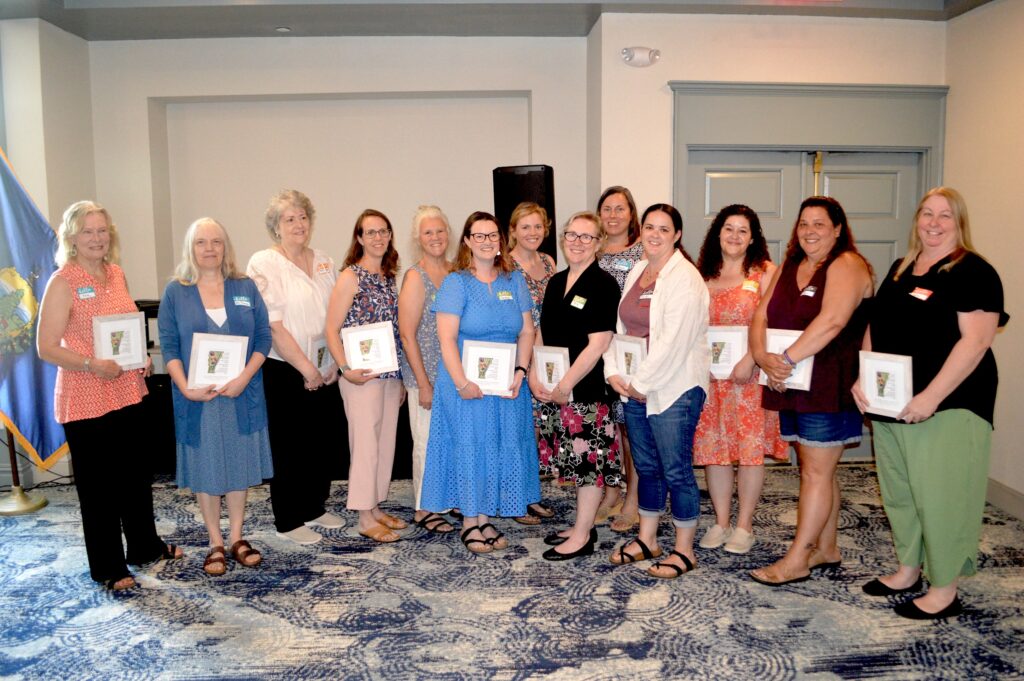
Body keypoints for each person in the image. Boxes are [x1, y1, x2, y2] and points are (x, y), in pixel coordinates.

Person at [852, 187, 1008, 619]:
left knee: (942, 496)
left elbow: (975, 343)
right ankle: (908, 569)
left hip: (950, 404)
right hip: (894, 403)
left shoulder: (974, 272)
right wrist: (864, 378)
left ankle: (945, 588)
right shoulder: (903, 267)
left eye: (945, 215)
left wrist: (930, 398)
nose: (934, 223)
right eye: (927, 213)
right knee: (902, 492)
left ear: (959, 223)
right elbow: (876, 324)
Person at [36, 200, 182, 591]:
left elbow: (125, 329)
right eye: (88, 231)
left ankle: (144, 548)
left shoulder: (116, 274)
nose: (97, 238)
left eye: (102, 231)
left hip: (128, 391)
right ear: (71, 237)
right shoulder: (62, 281)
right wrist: (90, 363)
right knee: (99, 490)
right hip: (85, 398)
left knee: (135, 479)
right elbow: (46, 347)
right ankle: (108, 567)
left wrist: (140, 359)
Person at [749, 196, 873, 587]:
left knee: (815, 474)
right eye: (804, 223)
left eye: (820, 224)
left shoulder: (848, 264)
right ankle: (826, 548)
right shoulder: (790, 265)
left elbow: (833, 320)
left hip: (828, 385)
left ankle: (798, 558)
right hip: (792, 381)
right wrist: (760, 355)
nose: (810, 231)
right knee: (817, 470)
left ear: (838, 229)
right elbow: (761, 315)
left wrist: (782, 359)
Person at [419, 211, 540, 554]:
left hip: (505, 387)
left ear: (501, 240)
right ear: (468, 241)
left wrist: (520, 371)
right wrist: (461, 383)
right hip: (465, 388)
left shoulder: (513, 281)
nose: (487, 242)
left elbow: (527, 331)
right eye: (480, 236)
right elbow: (446, 339)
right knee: (471, 450)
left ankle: (485, 517)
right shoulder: (456, 283)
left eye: (493, 235)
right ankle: (470, 522)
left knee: (496, 449)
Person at [159, 218, 273, 575]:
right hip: (199, 399)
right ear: (190, 249)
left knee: (238, 467)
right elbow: (169, 346)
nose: (209, 248)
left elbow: (264, 338)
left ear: (226, 247)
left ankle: (238, 536)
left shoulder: (244, 286)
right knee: (207, 469)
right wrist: (184, 387)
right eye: (201, 242)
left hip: (241, 393)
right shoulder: (176, 292)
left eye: (216, 242)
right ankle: (215, 542)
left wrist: (244, 377)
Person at [603, 203, 709, 579]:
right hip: (636, 387)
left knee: (676, 470)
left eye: (664, 229)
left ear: (677, 235)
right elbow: (621, 328)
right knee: (646, 468)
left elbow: (674, 343)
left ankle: (684, 550)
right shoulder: (637, 271)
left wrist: (640, 384)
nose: (655, 234)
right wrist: (614, 371)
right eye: (649, 227)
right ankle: (648, 538)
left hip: (675, 388)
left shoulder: (686, 278)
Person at [246, 190, 344, 546]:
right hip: (285, 368)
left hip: (324, 365)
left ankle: (314, 507)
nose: (298, 224)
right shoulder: (263, 263)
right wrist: (306, 369)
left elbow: (335, 315)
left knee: (321, 442)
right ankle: (288, 518)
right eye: (289, 219)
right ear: (276, 227)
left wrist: (332, 363)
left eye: (303, 216)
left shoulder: (324, 260)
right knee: (290, 445)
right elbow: (274, 325)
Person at [693, 205, 788, 555]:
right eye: (728, 228)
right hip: (710, 379)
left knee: (748, 453)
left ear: (753, 237)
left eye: (742, 230)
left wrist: (752, 358)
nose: (734, 236)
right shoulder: (702, 274)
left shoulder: (764, 273)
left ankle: (744, 525)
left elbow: (776, 324)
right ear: (718, 233)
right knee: (715, 451)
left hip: (748, 379)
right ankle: (721, 521)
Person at [529, 211, 621, 560]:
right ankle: (581, 523)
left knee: (588, 467)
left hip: (586, 391)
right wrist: (537, 374)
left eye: (586, 237)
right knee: (571, 460)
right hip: (556, 390)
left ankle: (582, 535)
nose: (577, 242)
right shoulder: (556, 281)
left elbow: (598, 343)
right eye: (572, 235)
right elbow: (542, 332)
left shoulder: (603, 284)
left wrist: (565, 384)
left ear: (598, 243)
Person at [326, 209, 407, 543]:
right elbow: (331, 329)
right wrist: (346, 369)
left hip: (389, 374)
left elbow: (396, 330)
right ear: (358, 237)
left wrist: (401, 377)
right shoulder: (350, 277)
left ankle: (374, 508)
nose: (378, 238)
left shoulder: (389, 277)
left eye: (383, 231)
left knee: (385, 443)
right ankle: (363, 516)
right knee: (365, 446)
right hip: (360, 377)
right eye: (371, 232)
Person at [398, 205, 456, 534]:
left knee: (449, 441)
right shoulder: (415, 277)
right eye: (428, 232)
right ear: (418, 238)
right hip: (426, 377)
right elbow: (407, 334)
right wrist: (423, 383)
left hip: (454, 375)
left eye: (440, 231)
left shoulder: (457, 272)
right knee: (425, 442)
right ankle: (424, 507)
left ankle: (445, 500)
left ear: (448, 234)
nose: (435, 237)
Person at [595, 186, 644, 534]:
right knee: (606, 427)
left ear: (631, 214)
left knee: (631, 430)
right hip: (597, 350)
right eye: (606, 209)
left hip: (631, 351)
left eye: (620, 209)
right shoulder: (590, 248)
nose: (613, 215)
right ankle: (611, 491)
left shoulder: (644, 251)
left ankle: (634, 499)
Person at [508, 201, 558, 525]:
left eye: (537, 226)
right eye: (525, 226)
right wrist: (530, 362)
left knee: (539, 430)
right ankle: (517, 499)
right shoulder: (506, 266)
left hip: (548, 354)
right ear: (512, 231)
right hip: (520, 354)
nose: (532, 232)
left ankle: (532, 494)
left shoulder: (549, 262)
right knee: (519, 431)